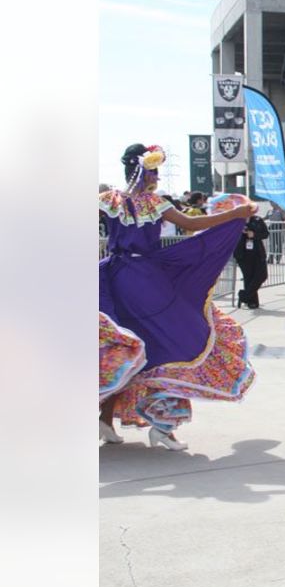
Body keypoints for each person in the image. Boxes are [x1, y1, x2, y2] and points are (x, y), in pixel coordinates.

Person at [99, 143, 257, 450]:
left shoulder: (108, 199)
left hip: (113, 278)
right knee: (178, 344)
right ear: (142, 169)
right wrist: (234, 215)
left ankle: (105, 419)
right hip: (145, 281)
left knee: (128, 346)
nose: (156, 175)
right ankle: (163, 427)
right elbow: (193, 225)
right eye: (154, 169)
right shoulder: (152, 202)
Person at [234, 204, 271, 309]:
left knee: (262, 275)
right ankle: (252, 302)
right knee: (248, 277)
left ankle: (244, 295)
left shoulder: (257, 220)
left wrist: (254, 234)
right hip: (242, 253)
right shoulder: (236, 221)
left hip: (257, 252)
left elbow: (265, 234)